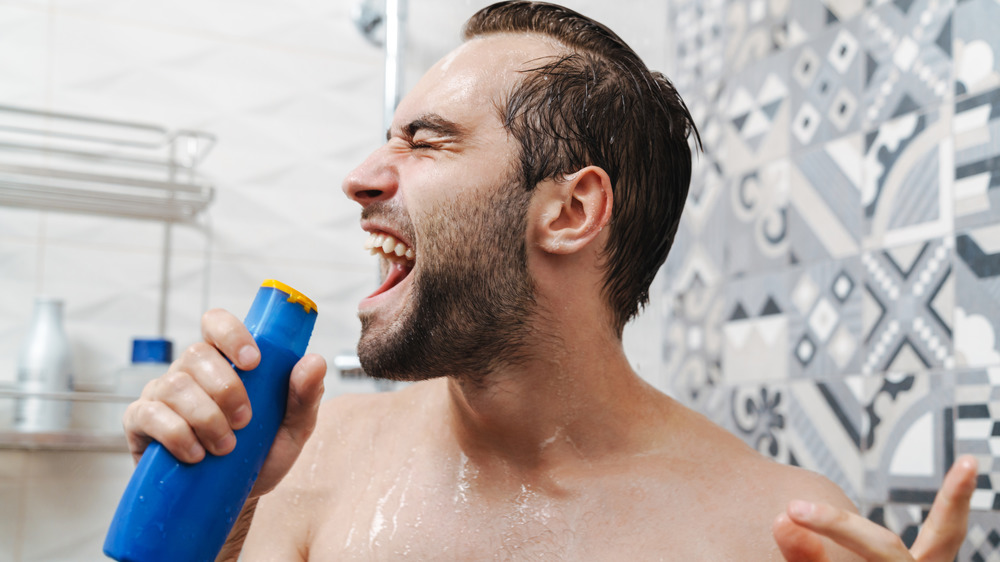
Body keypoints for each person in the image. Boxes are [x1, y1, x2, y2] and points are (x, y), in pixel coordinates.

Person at [123, 2, 978, 560]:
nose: (360, 177)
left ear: (570, 211)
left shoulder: (777, 529)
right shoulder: (309, 465)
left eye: (426, 142)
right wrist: (209, 529)